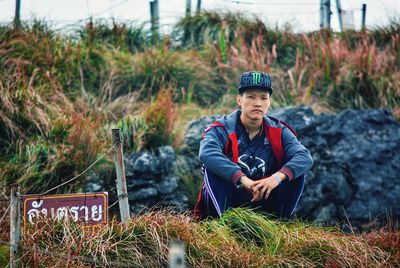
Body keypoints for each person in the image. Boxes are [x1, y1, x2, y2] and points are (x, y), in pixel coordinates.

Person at [194, 71, 314, 220]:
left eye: (263, 98)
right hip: (229, 199)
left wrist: (275, 178)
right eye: (251, 97)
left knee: (295, 170)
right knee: (212, 168)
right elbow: (206, 153)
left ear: (269, 102)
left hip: (265, 196)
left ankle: (281, 221)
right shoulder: (222, 128)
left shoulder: (279, 130)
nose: (258, 103)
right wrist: (243, 180)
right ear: (239, 100)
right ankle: (223, 224)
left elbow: (304, 157)